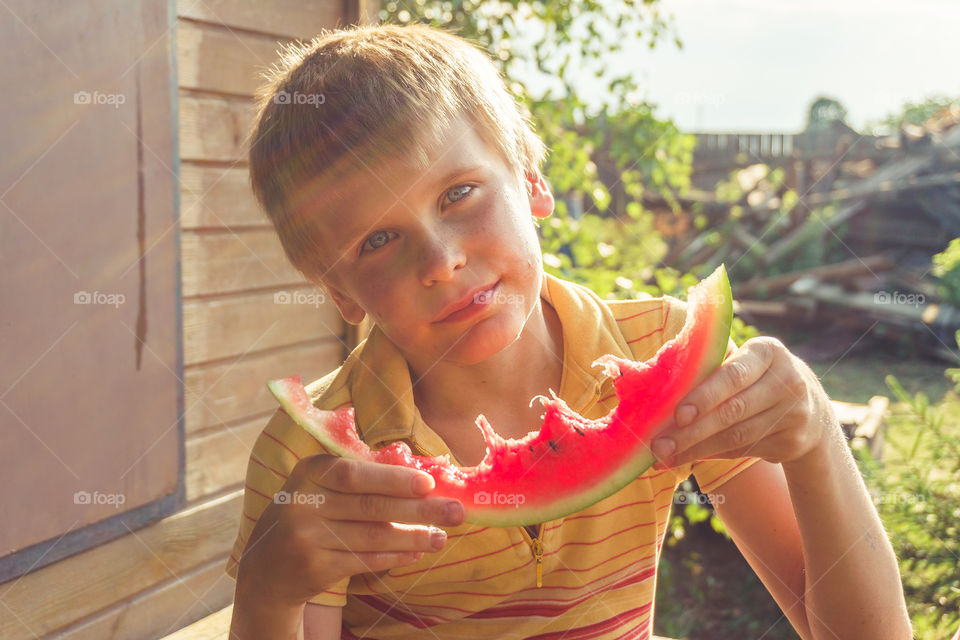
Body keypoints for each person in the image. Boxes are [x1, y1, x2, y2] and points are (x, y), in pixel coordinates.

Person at [225, 23, 911, 639]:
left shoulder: (662, 351)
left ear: (532, 182)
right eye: (377, 241)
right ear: (340, 294)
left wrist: (816, 433)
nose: (441, 262)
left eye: (458, 194)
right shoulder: (308, 457)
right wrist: (268, 594)